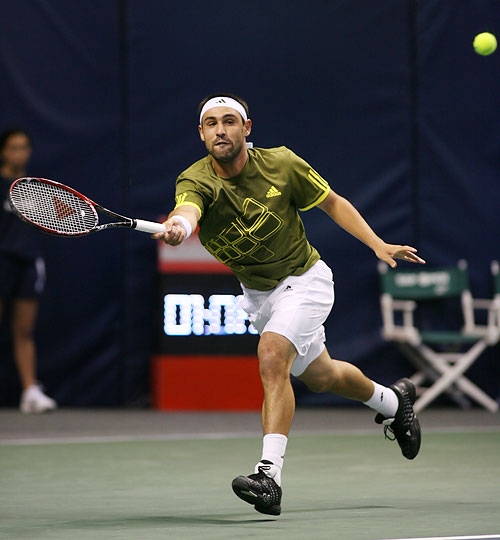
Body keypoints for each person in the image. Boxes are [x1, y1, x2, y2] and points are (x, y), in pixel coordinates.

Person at [154, 94, 425, 516]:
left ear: (247, 128)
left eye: (229, 121)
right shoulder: (195, 178)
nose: (220, 130)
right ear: (202, 133)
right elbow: (188, 209)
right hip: (259, 297)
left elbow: (332, 201)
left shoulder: (281, 163)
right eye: (211, 123)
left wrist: (377, 243)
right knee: (323, 376)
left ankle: (269, 478)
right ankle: (394, 402)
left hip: (305, 280)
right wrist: (179, 226)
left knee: (271, 353)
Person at [0, 128, 57, 413]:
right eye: (13, 147)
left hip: (28, 262)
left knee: (24, 330)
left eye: (24, 147)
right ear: (3, 152)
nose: (19, 153)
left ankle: (30, 392)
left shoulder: (34, 188)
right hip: (2, 260)